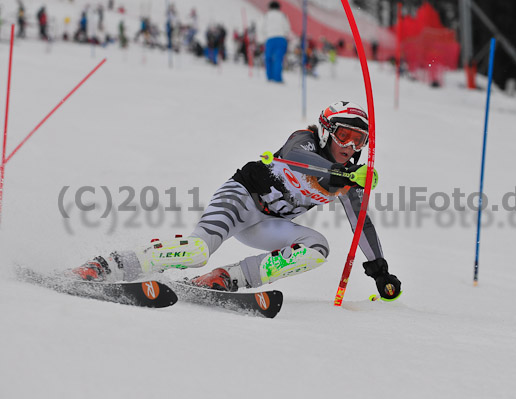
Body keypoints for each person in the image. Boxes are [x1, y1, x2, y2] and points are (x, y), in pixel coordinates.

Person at [70, 101, 402, 301]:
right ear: (328, 131)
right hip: (242, 199)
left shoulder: (348, 178)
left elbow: (362, 223)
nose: (350, 147)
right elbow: (295, 158)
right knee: (196, 251)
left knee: (317, 248)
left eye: (359, 141)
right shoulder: (305, 141)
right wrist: (341, 174)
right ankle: (105, 265)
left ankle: (226, 278)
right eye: (344, 135)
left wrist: (379, 271)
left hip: (268, 225)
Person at [261, 1, 290, 83]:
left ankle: (269, 77)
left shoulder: (266, 16)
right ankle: (277, 78)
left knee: (268, 58)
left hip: (270, 38)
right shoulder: (283, 15)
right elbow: (287, 28)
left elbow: (262, 28)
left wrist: (262, 38)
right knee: (278, 58)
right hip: (281, 38)